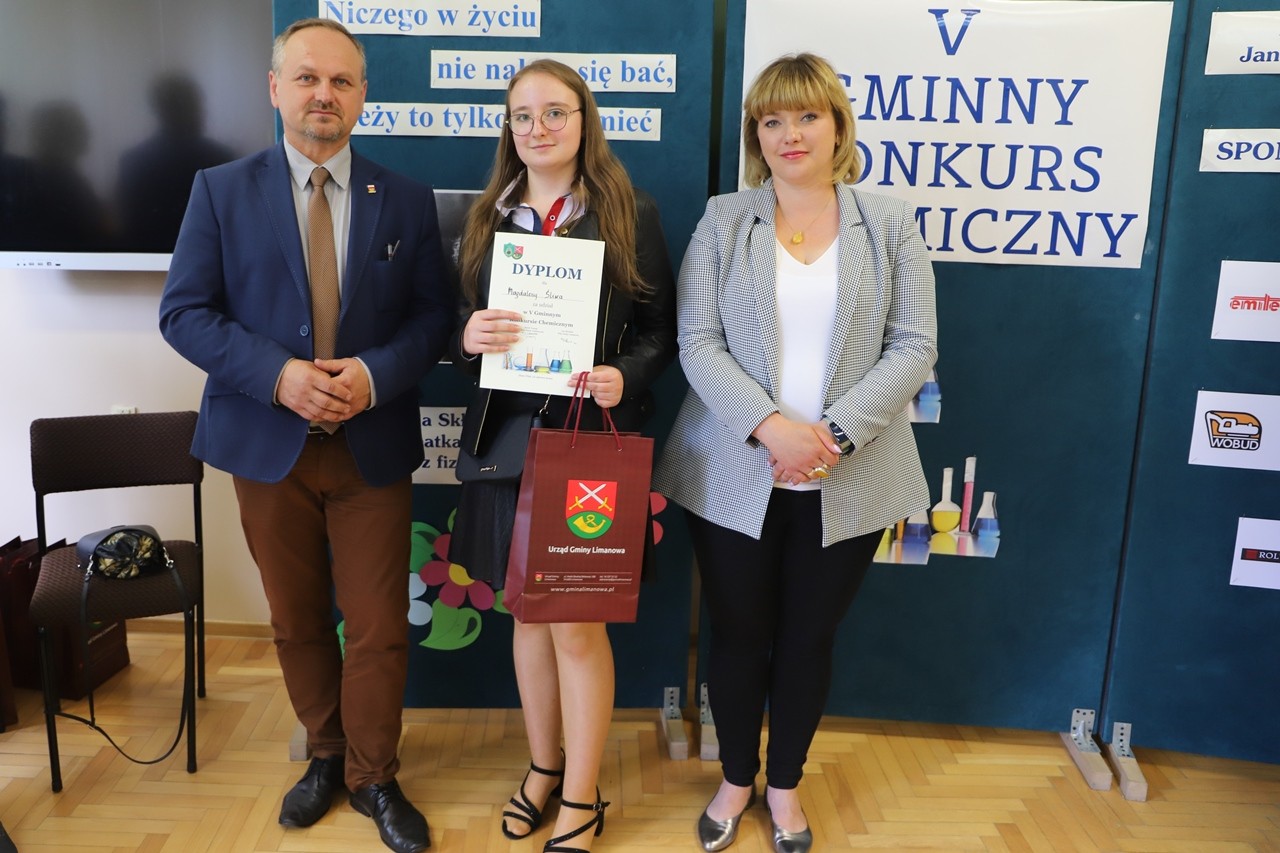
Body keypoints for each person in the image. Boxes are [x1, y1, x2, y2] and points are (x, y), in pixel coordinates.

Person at [159, 18, 452, 853]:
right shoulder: (220, 190)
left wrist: (374, 375)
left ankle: (373, 774)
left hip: (370, 444)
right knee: (294, 618)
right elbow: (184, 312)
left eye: (342, 81)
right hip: (265, 443)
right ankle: (325, 752)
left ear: (363, 96)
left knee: (379, 623)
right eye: (308, 78)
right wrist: (279, 375)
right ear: (275, 87)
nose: (325, 94)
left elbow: (433, 316)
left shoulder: (405, 198)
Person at [652, 53, 937, 853]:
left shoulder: (890, 223)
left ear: (838, 125)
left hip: (851, 473)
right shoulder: (724, 219)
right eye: (771, 120)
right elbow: (697, 341)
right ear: (756, 135)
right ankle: (735, 777)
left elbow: (915, 344)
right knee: (738, 634)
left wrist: (833, 436)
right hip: (734, 469)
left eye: (807, 116)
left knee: (810, 637)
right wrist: (771, 428)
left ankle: (784, 785)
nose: (790, 134)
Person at [448, 59, 676, 853]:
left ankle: (581, 793)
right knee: (526, 614)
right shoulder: (487, 217)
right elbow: (457, 326)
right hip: (506, 443)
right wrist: (467, 337)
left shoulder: (629, 212)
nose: (538, 127)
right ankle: (543, 766)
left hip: (588, 446)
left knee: (576, 626)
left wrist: (626, 375)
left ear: (585, 120)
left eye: (555, 112)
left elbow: (660, 332)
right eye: (522, 115)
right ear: (508, 128)